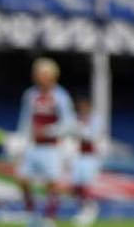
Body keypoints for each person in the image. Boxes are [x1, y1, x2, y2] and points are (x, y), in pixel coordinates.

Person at [16, 57, 76, 227]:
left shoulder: (61, 96)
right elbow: (25, 120)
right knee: (23, 179)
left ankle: (49, 217)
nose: (36, 76)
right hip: (32, 146)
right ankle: (30, 213)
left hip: (52, 147)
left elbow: (69, 123)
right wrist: (22, 141)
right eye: (36, 73)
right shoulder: (30, 95)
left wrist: (49, 130)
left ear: (52, 75)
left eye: (41, 73)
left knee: (53, 183)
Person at [70, 95, 103, 227]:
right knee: (76, 186)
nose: (83, 109)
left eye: (85, 106)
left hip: (90, 156)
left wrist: (81, 129)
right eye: (80, 107)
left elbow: (92, 136)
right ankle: (85, 207)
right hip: (78, 155)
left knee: (86, 184)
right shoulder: (75, 119)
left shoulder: (95, 120)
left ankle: (89, 209)